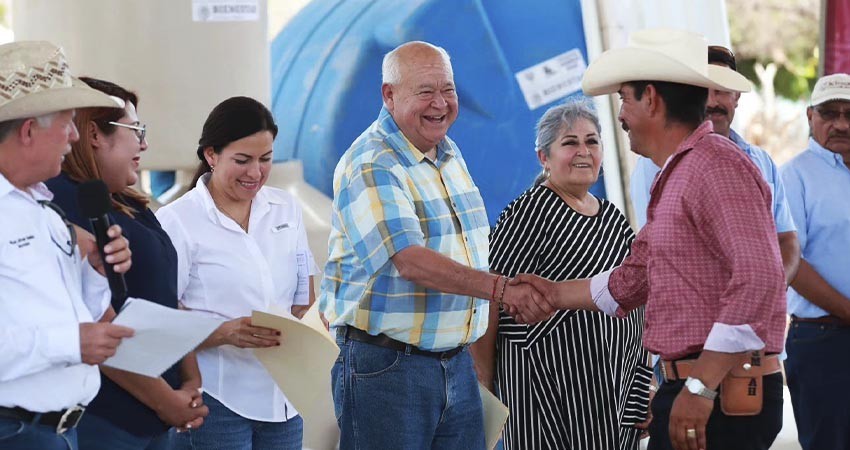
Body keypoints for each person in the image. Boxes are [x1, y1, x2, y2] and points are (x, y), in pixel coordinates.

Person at [512, 29, 787, 450]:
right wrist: (551, 293)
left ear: (652, 99)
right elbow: (633, 278)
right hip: (705, 386)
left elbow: (760, 278)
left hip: (718, 390)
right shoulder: (681, 171)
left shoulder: (714, 165)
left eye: (625, 98)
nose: (620, 115)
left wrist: (700, 386)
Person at [320, 41, 553, 450]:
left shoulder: (447, 152)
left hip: (454, 364)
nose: (440, 103)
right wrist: (502, 290)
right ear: (389, 95)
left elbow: (468, 252)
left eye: (448, 89)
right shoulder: (373, 162)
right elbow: (411, 261)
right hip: (389, 371)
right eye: (425, 91)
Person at [471, 100, 652, 450]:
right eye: (570, 143)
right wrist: (485, 380)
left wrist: (645, 382)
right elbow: (490, 298)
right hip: (546, 392)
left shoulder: (612, 219)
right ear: (544, 157)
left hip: (617, 391)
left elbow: (638, 298)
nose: (584, 151)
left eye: (592, 141)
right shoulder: (527, 214)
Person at [45, 77, 209, 449]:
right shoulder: (63, 202)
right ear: (93, 135)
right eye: (136, 130)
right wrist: (166, 401)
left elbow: (164, 296)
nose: (144, 144)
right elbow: (94, 316)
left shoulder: (125, 200)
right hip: (109, 418)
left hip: (157, 414)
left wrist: (190, 380)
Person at [157, 96, 316, 450]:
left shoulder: (286, 208)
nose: (255, 173)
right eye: (242, 160)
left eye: (265, 159)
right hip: (216, 399)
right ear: (211, 155)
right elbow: (161, 318)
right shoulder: (176, 221)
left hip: (285, 397)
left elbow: (304, 299)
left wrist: (312, 327)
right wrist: (225, 332)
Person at [0, 40, 134, 449]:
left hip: (57, 430)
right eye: (68, 123)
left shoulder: (46, 211)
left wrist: (96, 271)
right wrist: (71, 343)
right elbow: (69, 334)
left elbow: (79, 312)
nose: (75, 137)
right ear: (28, 131)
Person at [629, 45, 800, 284]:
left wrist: (770, 288)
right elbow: (659, 252)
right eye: (702, 92)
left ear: (736, 97)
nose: (711, 102)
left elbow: (786, 240)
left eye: (721, 91)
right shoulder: (655, 164)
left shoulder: (761, 161)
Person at [780, 72, 850, 450]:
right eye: (829, 113)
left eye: (849, 114)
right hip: (823, 340)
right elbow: (792, 264)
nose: (841, 124)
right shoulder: (794, 176)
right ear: (810, 116)